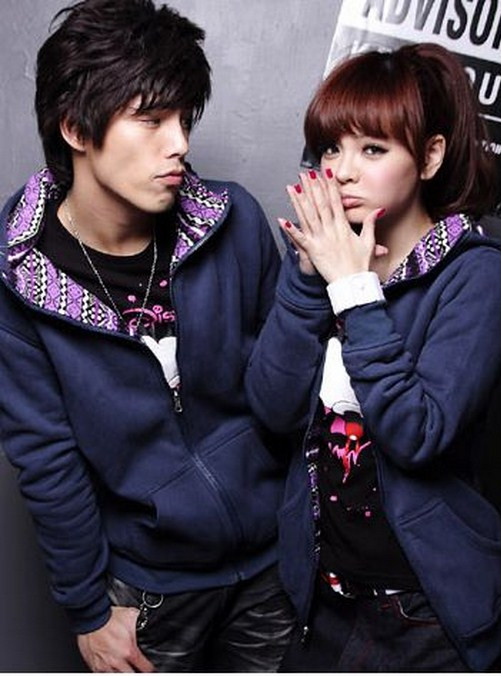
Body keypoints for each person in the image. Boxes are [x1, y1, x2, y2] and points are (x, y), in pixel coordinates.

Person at [0, 0, 295, 671]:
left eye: (184, 119)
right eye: (153, 119)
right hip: (149, 589)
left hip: (272, 567)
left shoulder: (235, 223)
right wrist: (87, 610)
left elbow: (286, 396)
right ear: (76, 127)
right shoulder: (18, 278)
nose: (179, 143)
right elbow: (46, 458)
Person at [245, 43, 501, 671]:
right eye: (331, 149)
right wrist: (308, 281)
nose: (342, 172)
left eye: (372, 150)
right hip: (321, 593)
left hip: (422, 611)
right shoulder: (323, 260)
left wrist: (355, 292)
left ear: (431, 156)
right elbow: (273, 411)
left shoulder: (475, 275)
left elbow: (419, 434)